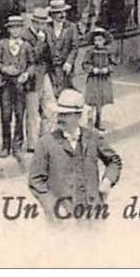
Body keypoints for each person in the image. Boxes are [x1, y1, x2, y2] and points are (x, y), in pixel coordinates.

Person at [27, 89, 122, 219]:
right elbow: (35, 180)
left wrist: (107, 181)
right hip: (62, 216)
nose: (60, 118)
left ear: (78, 116)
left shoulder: (92, 137)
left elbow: (114, 161)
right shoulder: (46, 143)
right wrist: (52, 205)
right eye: (59, 114)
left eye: (66, 115)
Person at [0, 14, 32, 159]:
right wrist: (4, 69)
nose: (15, 31)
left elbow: (32, 64)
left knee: (19, 114)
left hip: (20, 85)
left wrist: (27, 74)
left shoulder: (26, 45)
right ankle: (5, 145)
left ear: (22, 29)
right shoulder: (2, 44)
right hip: (6, 84)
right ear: (9, 30)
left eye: (18, 28)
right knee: (5, 115)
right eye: (12, 28)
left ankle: (17, 145)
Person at [22, 6, 50, 147]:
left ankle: (45, 140)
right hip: (32, 78)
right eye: (40, 23)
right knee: (33, 113)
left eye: (44, 23)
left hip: (45, 75)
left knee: (48, 109)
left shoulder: (45, 33)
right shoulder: (25, 36)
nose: (42, 25)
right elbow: (31, 57)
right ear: (34, 22)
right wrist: (40, 42)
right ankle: (32, 144)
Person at [81, 26, 116, 130]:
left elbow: (113, 63)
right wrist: (92, 69)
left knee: (101, 101)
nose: (97, 42)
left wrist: (108, 69)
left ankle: (99, 121)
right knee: (92, 100)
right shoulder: (90, 52)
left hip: (104, 79)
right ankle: (90, 121)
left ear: (104, 40)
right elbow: (85, 64)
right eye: (95, 40)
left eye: (100, 40)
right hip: (93, 79)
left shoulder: (108, 51)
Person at [42, 0, 77, 98]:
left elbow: (75, 47)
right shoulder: (46, 28)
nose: (62, 15)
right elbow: (43, 49)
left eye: (64, 12)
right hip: (51, 67)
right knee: (52, 92)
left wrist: (69, 62)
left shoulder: (71, 27)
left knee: (66, 92)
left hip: (66, 66)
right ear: (52, 14)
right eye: (58, 12)